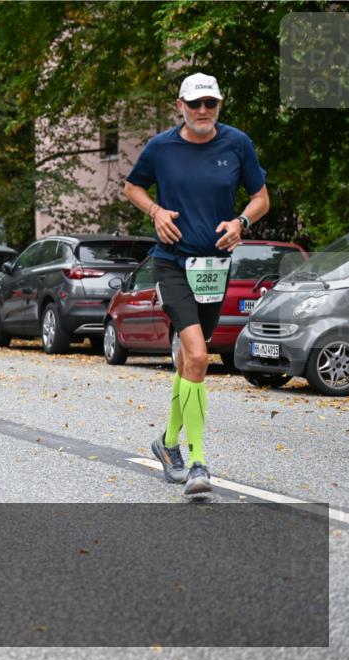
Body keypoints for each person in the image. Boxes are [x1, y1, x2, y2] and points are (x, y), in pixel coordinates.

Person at [124, 73, 270, 496]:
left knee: (193, 362)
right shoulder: (161, 147)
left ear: (219, 105)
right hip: (172, 264)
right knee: (200, 355)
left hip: (214, 268)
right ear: (181, 106)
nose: (203, 111)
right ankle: (197, 462)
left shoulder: (237, 144)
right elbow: (132, 187)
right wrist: (155, 211)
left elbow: (261, 198)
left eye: (211, 103)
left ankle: (166, 443)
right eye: (195, 104)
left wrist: (241, 222)